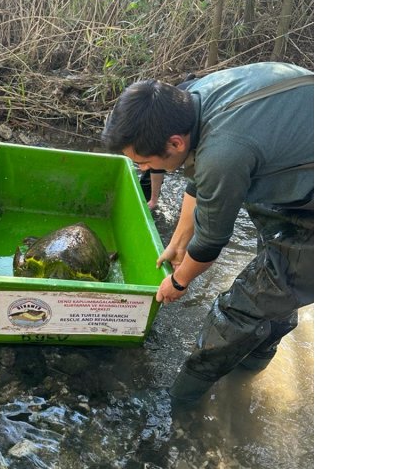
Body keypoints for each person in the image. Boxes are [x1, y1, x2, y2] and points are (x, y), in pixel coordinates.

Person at [101, 62, 313, 404]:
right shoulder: (191, 98)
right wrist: (177, 242)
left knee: (243, 309)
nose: (142, 169)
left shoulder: (224, 151)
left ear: (174, 142)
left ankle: (182, 408)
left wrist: (179, 282)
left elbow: (212, 240)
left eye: (143, 161)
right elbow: (198, 181)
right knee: (275, 285)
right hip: (296, 158)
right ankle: (252, 366)